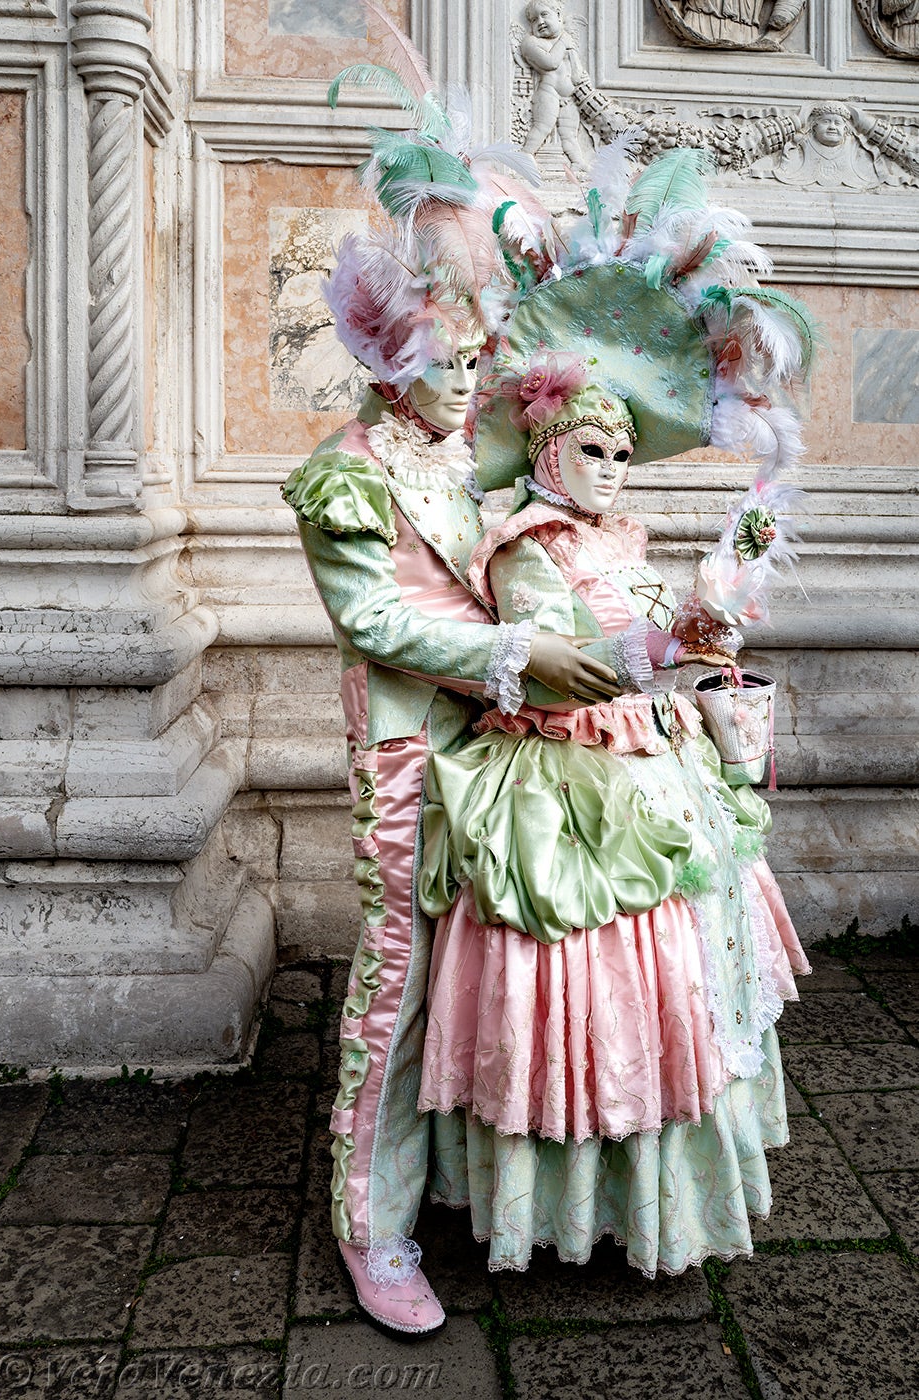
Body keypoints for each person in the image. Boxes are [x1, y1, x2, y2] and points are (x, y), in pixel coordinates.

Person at [412, 150, 817, 1281]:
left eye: (624, 452)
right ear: (545, 445)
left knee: (676, 979)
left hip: (649, 766)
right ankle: (563, 1194)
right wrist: (660, 644)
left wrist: (713, 610)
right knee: (583, 974)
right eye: (591, 448)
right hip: (562, 786)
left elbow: (661, 650)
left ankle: (649, 1190)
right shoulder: (521, 546)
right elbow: (563, 668)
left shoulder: (616, 539)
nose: (610, 469)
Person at [281, 63, 620, 1331]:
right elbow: (373, 621)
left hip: (494, 751)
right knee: (396, 986)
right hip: (408, 762)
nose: (475, 371)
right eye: (454, 356)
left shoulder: (456, 447)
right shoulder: (343, 473)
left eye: (477, 351)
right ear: (390, 360)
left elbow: (555, 445)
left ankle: (460, 1184)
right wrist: (517, 655)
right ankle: (370, 1225)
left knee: (482, 974)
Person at [520, 1, 588, 170]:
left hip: (569, 97)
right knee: (542, 126)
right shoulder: (532, 42)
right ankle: (526, 153)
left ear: (558, 16)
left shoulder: (566, 41)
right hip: (548, 92)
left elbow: (576, 69)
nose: (540, 22)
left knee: (570, 133)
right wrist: (563, 43)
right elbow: (550, 63)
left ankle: (578, 162)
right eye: (534, 20)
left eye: (544, 15)